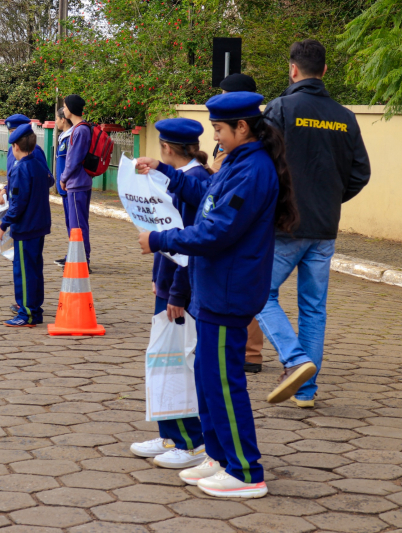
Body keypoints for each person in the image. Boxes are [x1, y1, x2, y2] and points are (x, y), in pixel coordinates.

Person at [135, 91, 299, 498]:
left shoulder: (252, 169)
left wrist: (159, 238)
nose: (216, 137)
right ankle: (220, 457)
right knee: (208, 379)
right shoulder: (238, 163)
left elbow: (217, 229)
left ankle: (246, 470)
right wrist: (166, 172)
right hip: (213, 289)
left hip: (229, 290)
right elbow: (205, 199)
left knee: (224, 383)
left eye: (221, 129)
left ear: (242, 127)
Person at [258, 39, 371, 408]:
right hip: (324, 228)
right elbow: (360, 174)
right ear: (323, 71)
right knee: (313, 308)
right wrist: (328, 200)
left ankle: (296, 361)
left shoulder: (280, 109)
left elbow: (262, 165)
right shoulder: (345, 116)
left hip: (285, 226)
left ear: (293, 70)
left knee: (258, 293)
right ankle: (305, 391)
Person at [129, 118, 210, 470]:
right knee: (162, 359)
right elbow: (165, 229)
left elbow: (187, 245)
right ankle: (170, 434)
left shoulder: (195, 182)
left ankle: (190, 441)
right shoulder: (190, 177)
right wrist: (157, 278)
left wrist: (176, 292)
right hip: (169, 283)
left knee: (177, 363)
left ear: (166, 148)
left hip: (182, 289)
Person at [210, 73, 265, 374]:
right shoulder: (240, 146)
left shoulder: (252, 161)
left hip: (247, 231)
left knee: (254, 291)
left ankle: (252, 352)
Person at [0, 124, 53, 327]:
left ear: (15, 147)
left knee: (24, 271)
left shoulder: (20, 168)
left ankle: (26, 313)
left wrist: (3, 224)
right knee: (35, 269)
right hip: (39, 225)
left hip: (25, 227)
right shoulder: (38, 163)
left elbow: (18, 203)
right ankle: (35, 308)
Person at [61, 94, 93, 271]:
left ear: (71, 108)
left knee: (78, 225)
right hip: (80, 182)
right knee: (78, 223)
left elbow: (73, 159)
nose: (64, 110)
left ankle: (82, 260)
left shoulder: (79, 130)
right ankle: (80, 258)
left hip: (77, 183)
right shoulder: (80, 128)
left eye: (65, 106)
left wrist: (64, 177)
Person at [54, 107, 73, 266]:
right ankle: (71, 254)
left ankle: (75, 256)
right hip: (64, 188)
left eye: (57, 119)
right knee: (69, 223)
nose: (55, 122)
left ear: (63, 119)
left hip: (69, 187)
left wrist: (64, 179)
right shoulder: (63, 137)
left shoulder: (70, 137)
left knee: (74, 224)